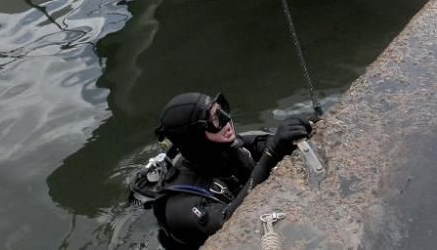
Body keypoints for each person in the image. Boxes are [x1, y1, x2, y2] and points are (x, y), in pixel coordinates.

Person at [130, 92, 313, 249]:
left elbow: (270, 144)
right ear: (195, 138)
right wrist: (270, 154)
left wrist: (298, 129)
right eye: (215, 120)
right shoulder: (179, 207)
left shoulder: (228, 148)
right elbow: (228, 223)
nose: (226, 121)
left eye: (221, 109)